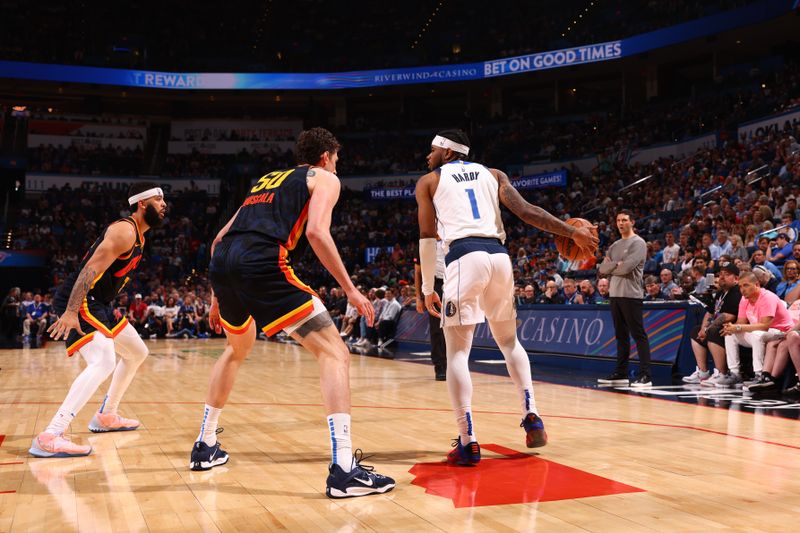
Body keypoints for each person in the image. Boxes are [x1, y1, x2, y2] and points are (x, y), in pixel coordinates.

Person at [189, 127, 394, 498]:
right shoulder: (325, 178)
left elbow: (219, 239)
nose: (337, 164)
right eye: (337, 158)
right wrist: (350, 289)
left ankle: (204, 446)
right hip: (262, 262)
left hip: (225, 265)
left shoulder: (265, 181)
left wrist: (218, 297)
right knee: (334, 352)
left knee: (236, 349)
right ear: (326, 156)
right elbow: (316, 231)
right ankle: (344, 469)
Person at [416, 129, 597, 465]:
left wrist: (428, 289)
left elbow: (427, 238)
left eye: (432, 150)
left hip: (464, 256)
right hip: (499, 258)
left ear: (446, 150)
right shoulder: (494, 174)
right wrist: (572, 231)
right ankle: (532, 416)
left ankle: (468, 441)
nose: (427, 156)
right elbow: (528, 212)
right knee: (510, 343)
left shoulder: (428, 181)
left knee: (457, 351)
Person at [31, 183, 166, 458]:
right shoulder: (125, 231)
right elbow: (89, 270)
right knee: (103, 361)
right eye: (158, 199)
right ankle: (51, 434)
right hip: (80, 298)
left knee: (137, 352)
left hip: (99, 303)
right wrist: (70, 312)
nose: (164, 204)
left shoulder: (140, 236)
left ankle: (106, 415)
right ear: (142, 204)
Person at [597, 210, 653, 387]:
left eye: (625, 220)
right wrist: (615, 265)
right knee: (621, 336)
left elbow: (626, 268)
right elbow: (602, 269)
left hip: (631, 295)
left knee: (638, 335)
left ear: (632, 222)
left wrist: (613, 266)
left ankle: (645, 375)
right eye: (618, 220)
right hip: (614, 295)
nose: (621, 223)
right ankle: (621, 373)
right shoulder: (614, 245)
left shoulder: (639, 243)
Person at [720, 271, 795, 388]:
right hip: (762, 332)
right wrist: (731, 327)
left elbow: (765, 325)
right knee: (731, 334)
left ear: (757, 284)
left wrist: (738, 327)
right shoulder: (744, 299)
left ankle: (759, 375)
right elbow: (741, 322)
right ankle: (735, 373)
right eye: (740, 286)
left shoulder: (767, 297)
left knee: (756, 334)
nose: (742, 290)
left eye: (746, 285)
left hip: (780, 331)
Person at [683, 263, 741, 385]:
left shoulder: (736, 292)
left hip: (732, 329)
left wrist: (708, 328)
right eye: (721, 274)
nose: (722, 277)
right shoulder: (721, 293)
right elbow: (709, 313)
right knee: (695, 331)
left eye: (727, 274)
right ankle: (703, 372)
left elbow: (729, 316)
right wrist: (703, 328)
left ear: (736, 278)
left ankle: (722, 373)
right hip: (719, 328)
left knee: (713, 331)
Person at [414, 241, 447, 380]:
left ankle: (454, 365)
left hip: (453, 282)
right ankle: (440, 366)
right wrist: (418, 297)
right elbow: (417, 272)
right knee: (436, 328)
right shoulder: (425, 243)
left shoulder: (451, 236)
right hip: (435, 285)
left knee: (455, 327)